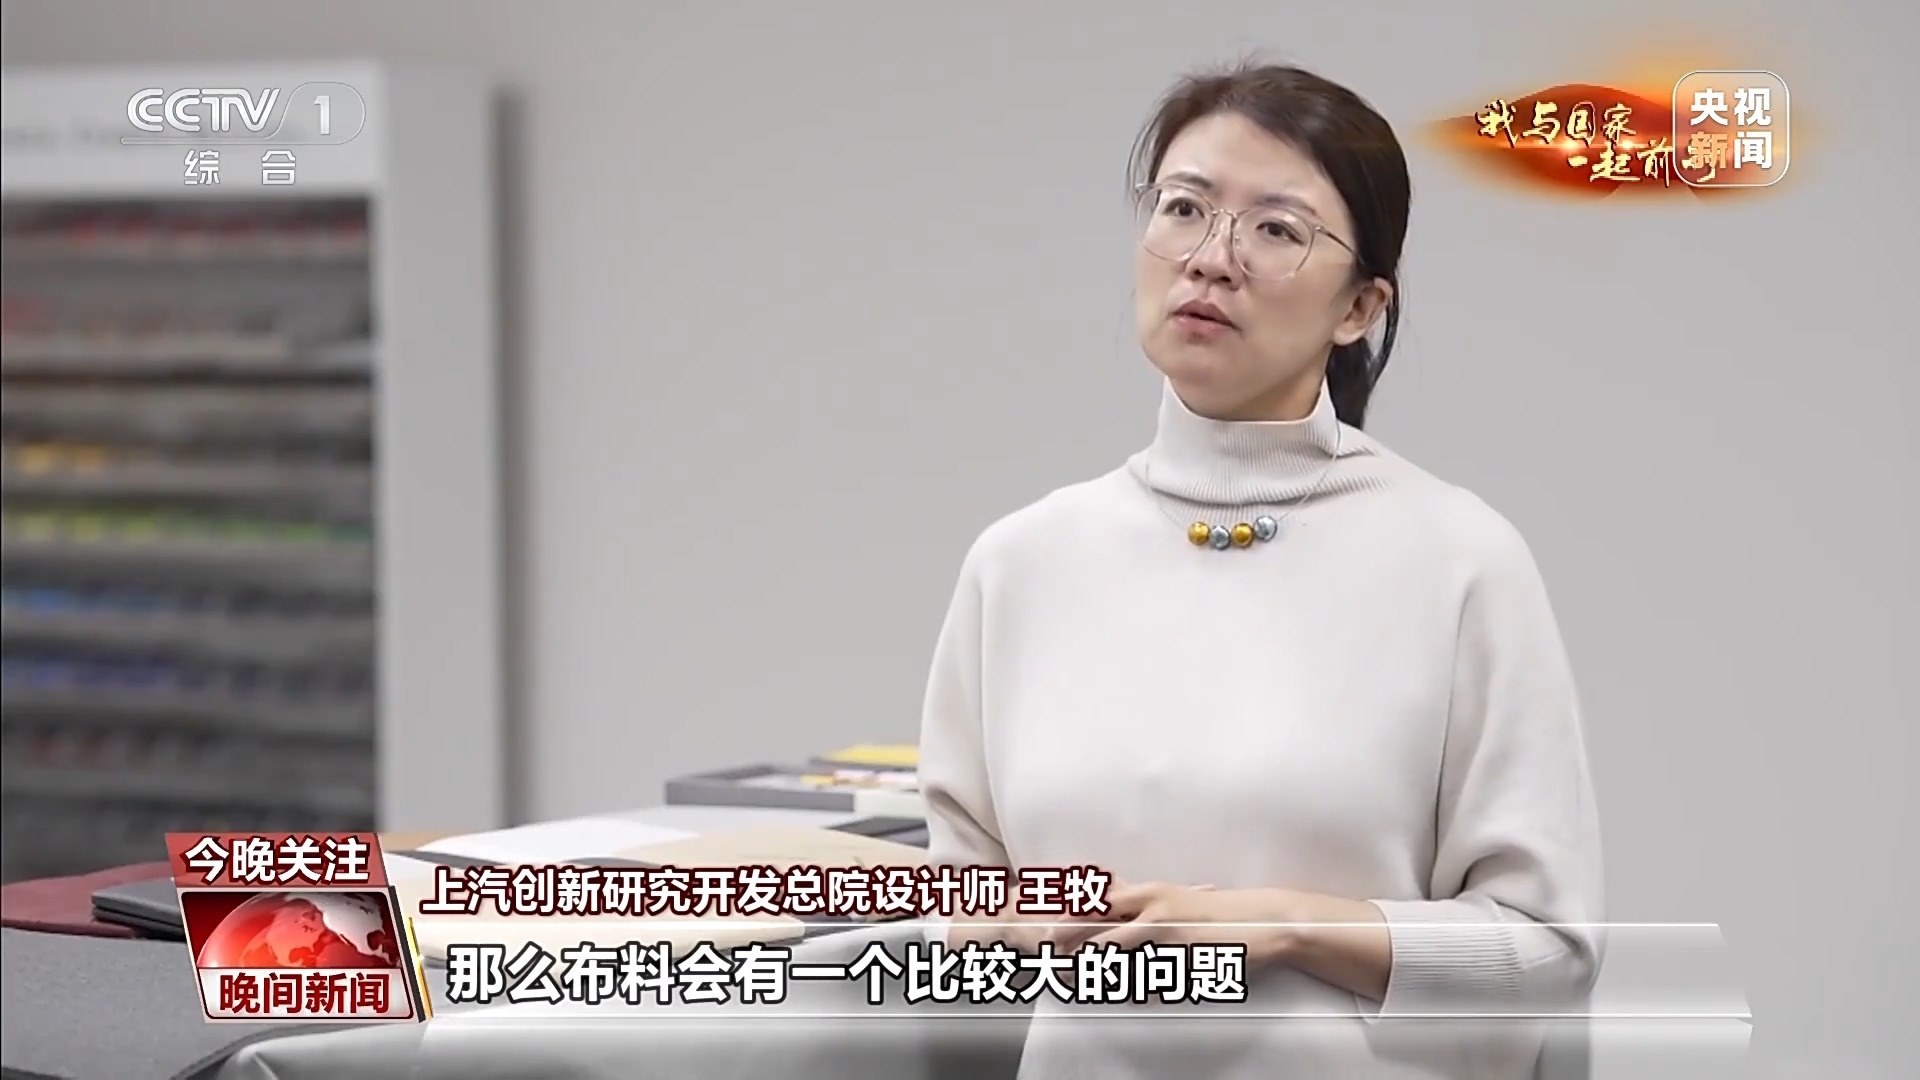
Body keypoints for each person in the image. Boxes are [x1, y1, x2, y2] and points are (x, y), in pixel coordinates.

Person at [917, 61, 1605, 1079]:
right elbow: (955, 920)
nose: (1211, 259)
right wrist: (1018, 921)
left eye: (1276, 230)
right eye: (1184, 209)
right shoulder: (1020, 563)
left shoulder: (1460, 561)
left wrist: (1285, 926)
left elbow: (1548, 949)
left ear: (1360, 307)